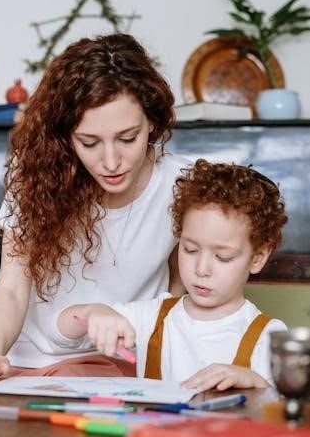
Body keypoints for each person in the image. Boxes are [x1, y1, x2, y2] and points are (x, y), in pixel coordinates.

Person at [0, 33, 188, 383]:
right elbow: (12, 287)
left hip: (121, 364)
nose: (111, 162)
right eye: (89, 142)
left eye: (128, 138)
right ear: (66, 135)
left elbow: (180, 291)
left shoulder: (180, 185)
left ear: (151, 121)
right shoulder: (36, 173)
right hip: (25, 361)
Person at [54, 159, 288, 391]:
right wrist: (92, 312)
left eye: (222, 257)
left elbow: (287, 405)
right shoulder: (152, 317)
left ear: (257, 258)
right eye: (190, 249)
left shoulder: (269, 336)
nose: (201, 269)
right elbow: (62, 330)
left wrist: (256, 383)